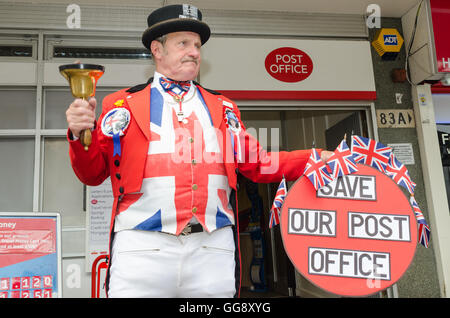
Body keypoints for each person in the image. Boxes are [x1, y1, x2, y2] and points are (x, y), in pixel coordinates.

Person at [66, 4, 332, 298]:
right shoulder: (121, 105)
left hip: (211, 249)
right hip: (142, 249)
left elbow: (258, 164)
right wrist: (79, 134)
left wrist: (316, 158)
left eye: (197, 45)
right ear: (157, 49)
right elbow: (92, 174)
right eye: (183, 43)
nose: (194, 51)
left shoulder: (223, 106)